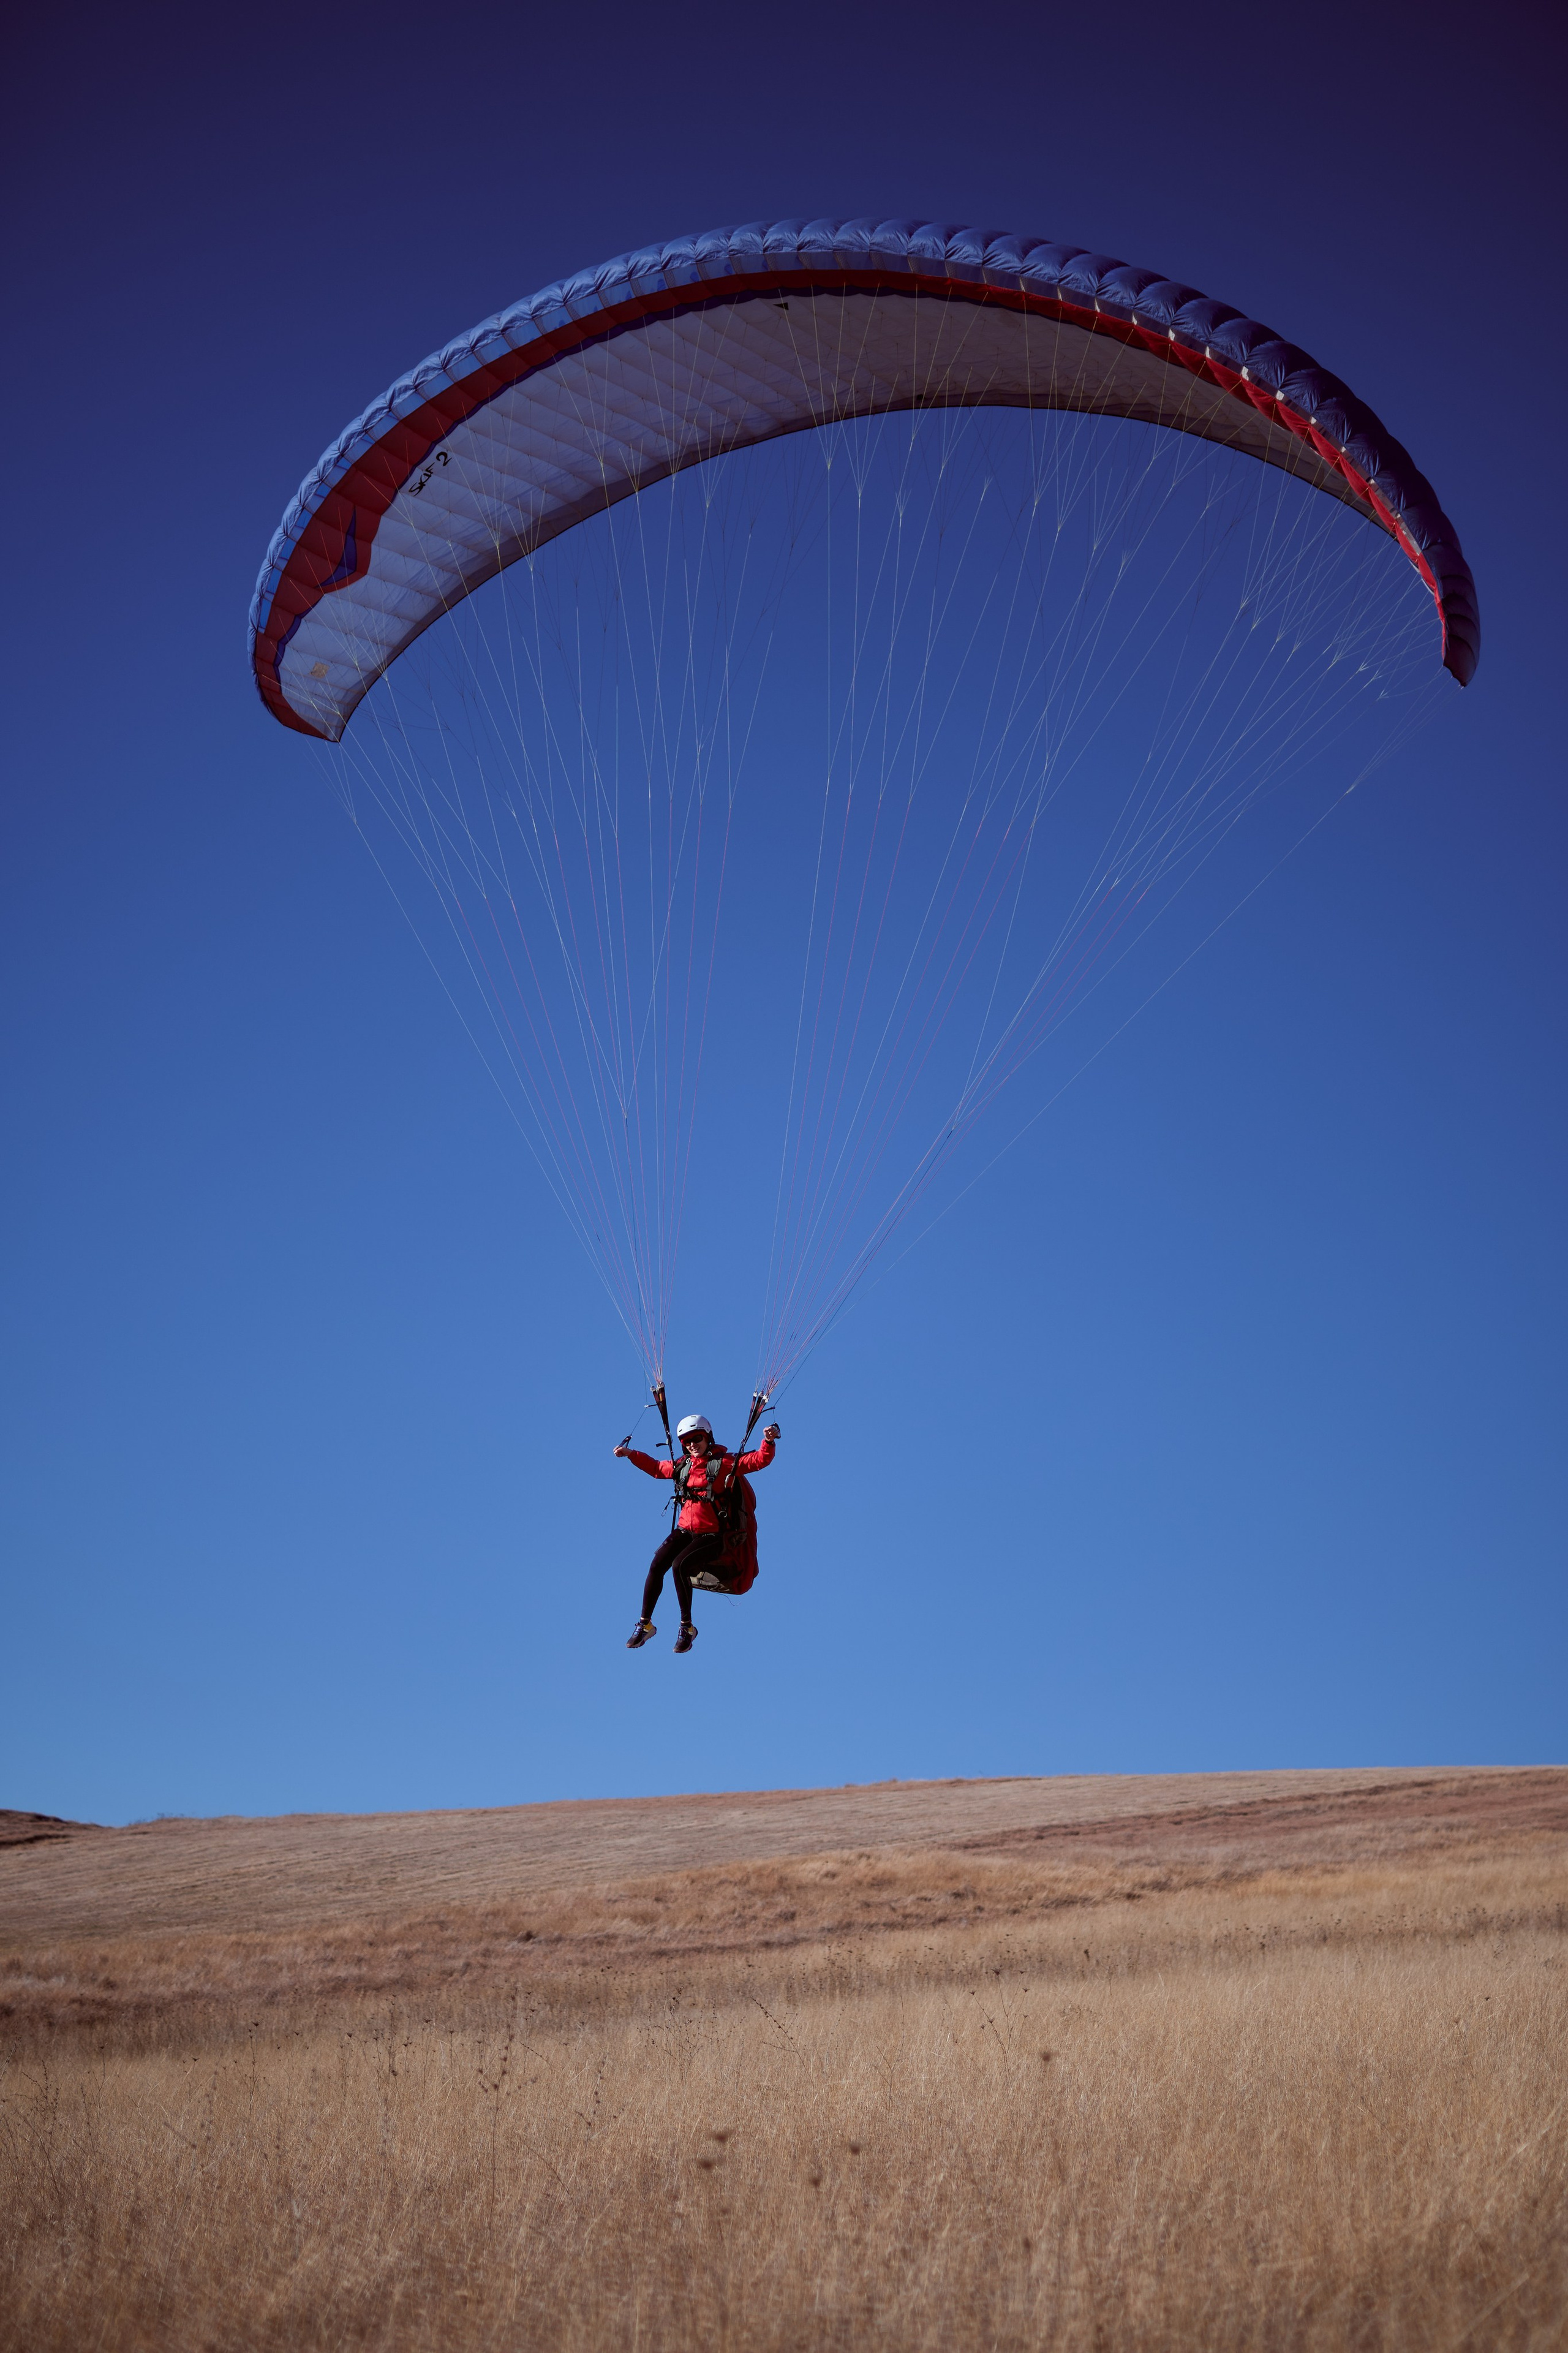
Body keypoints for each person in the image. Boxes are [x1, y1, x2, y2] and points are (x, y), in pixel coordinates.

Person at [615, 1412, 780, 1653]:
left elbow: (757, 1461)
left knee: (679, 1565)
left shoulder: (724, 1464)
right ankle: (645, 1624)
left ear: (708, 1438)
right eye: (688, 1441)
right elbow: (656, 1468)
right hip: (686, 1530)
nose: (693, 1444)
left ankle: (687, 1628)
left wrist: (768, 1441)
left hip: (713, 1535)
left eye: (698, 1438)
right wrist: (631, 1454)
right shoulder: (684, 1466)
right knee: (656, 1564)